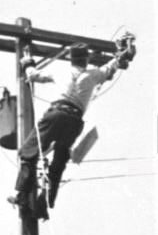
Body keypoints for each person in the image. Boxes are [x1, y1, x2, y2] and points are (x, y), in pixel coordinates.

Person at [8, 37, 136, 219]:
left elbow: (32, 75)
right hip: (75, 121)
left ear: (71, 59)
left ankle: (22, 195)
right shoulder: (94, 74)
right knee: (59, 162)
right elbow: (113, 66)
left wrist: (27, 60)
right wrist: (123, 53)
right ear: (86, 60)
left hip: (56, 114)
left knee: (28, 151)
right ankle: (45, 203)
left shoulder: (60, 72)